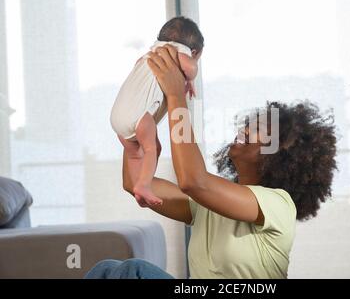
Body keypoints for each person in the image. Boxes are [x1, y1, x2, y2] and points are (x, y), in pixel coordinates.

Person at [86, 46, 337, 279]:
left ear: (284, 153)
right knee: (108, 271)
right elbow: (135, 183)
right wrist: (138, 121)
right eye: (252, 122)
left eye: (262, 128)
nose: (248, 128)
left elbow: (193, 181)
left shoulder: (279, 205)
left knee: (133, 271)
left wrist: (175, 95)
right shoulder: (207, 206)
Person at [110, 16, 204, 206]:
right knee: (151, 149)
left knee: (138, 152)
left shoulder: (148, 56)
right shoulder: (181, 54)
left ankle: (139, 185)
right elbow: (191, 68)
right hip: (139, 119)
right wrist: (189, 78)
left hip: (116, 118)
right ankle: (143, 185)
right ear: (194, 51)